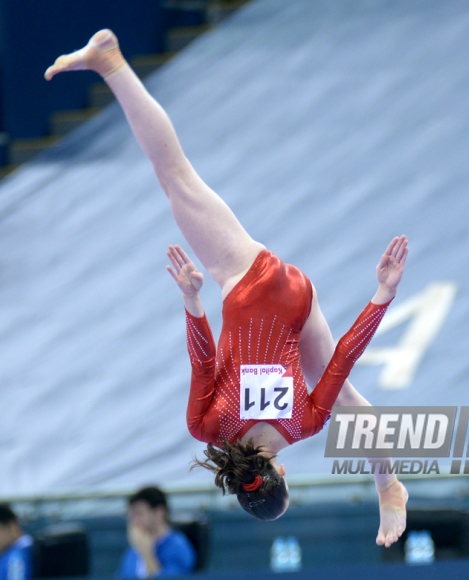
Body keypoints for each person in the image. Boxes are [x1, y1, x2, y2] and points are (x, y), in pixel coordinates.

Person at [45, 29, 409, 547]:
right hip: (247, 282)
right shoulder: (209, 427)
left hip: (293, 300)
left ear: (281, 475)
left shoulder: (302, 425)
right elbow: (202, 361)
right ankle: (110, 64)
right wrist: (193, 303)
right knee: (173, 175)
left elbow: (344, 358)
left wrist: (383, 295)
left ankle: (388, 483)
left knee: (347, 393)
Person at [117, 486, 196, 578]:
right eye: (130, 515)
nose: (133, 521)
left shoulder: (178, 548)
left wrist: (146, 552)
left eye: (138, 514)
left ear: (159, 512)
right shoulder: (132, 551)